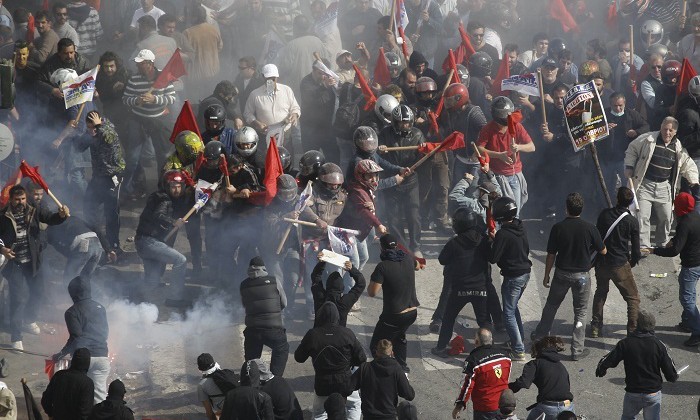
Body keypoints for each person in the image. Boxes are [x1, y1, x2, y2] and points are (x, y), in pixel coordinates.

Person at [531, 193, 606, 361]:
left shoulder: (558, 228)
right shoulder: (590, 228)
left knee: (551, 305)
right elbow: (603, 250)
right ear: (582, 209)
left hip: (562, 274)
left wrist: (546, 274)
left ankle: (539, 338)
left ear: (566, 209)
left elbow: (551, 254)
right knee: (580, 312)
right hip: (582, 277)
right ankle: (577, 350)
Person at [0, 185, 69, 350]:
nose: (20, 202)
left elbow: (50, 218)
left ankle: (29, 319)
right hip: (14, 262)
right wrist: (2, 249)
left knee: (39, 291)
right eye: (17, 199)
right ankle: (16, 337)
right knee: (18, 297)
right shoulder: (3, 216)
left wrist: (61, 215)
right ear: (11, 199)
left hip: (33, 260)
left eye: (23, 199)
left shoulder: (34, 210)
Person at [625, 116, 699, 250]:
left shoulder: (677, 147)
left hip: (664, 187)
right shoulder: (648, 139)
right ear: (661, 127)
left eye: (671, 130)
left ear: (675, 132)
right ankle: (644, 245)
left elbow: (687, 163)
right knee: (642, 216)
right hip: (645, 185)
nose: (667, 132)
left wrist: (693, 179)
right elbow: (632, 149)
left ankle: (662, 243)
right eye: (665, 129)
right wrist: (629, 166)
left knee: (666, 216)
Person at [596, 309, 679, 420]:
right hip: (652, 394)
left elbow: (610, 359)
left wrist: (602, 368)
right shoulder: (659, 345)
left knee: (628, 417)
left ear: (637, 325)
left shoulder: (625, 343)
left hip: (633, 392)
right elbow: (670, 373)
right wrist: (674, 376)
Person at [431, 208, 492, 358]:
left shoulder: (454, 243)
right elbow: (492, 257)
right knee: (484, 321)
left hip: (460, 289)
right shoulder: (483, 240)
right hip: (480, 287)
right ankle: (488, 351)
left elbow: (442, 259)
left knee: (448, 318)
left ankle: (440, 348)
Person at [294, 301, 366, 420]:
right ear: (337, 317)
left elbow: (299, 358)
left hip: (323, 383)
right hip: (346, 382)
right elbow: (361, 358)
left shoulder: (313, 335)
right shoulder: (347, 333)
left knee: (319, 413)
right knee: (354, 406)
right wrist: (350, 362)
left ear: (320, 316)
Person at [122, 48, 177, 195]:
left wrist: (155, 99)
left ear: (150, 63)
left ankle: (162, 187)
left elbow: (172, 98)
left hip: (157, 120)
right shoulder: (134, 79)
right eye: (138, 64)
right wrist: (136, 100)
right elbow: (126, 99)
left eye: (141, 64)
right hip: (138, 120)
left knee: (162, 156)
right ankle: (127, 188)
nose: (138, 66)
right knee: (133, 157)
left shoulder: (164, 78)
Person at [648, 192, 700, 346]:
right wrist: (675, 239)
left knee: (687, 299)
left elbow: (674, 251)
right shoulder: (696, 216)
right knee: (689, 294)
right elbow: (686, 238)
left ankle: (697, 331)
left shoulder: (684, 223)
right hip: (698, 263)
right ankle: (687, 322)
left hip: (690, 266)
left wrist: (654, 250)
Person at [591, 187, 642, 337]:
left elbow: (598, 238)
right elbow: (637, 251)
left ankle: (595, 326)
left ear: (617, 199)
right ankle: (632, 330)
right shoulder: (632, 221)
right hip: (619, 263)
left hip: (602, 262)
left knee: (600, 292)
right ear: (630, 202)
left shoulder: (604, 215)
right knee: (633, 298)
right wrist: (632, 263)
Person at [134, 170, 189, 307]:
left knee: (153, 281)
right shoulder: (163, 199)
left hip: (144, 242)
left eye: (179, 186)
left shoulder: (161, 197)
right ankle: (175, 299)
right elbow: (158, 215)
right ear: (166, 186)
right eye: (173, 186)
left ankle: (139, 304)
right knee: (180, 260)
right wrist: (173, 222)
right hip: (149, 242)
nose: (176, 190)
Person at [51, 276, 110, 403]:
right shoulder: (101, 308)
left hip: (82, 360)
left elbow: (76, 337)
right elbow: (105, 334)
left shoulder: (71, 312)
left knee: (76, 396)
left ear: (72, 293)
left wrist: (61, 354)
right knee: (99, 397)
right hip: (102, 358)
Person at [75, 111, 125, 257]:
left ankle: (114, 246)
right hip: (98, 177)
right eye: (90, 127)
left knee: (111, 213)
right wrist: (80, 134)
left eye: (94, 127)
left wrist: (98, 126)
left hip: (112, 176)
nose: (93, 131)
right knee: (88, 208)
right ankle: (98, 242)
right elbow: (79, 148)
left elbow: (109, 138)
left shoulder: (108, 129)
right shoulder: (92, 132)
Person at [368, 234, 419, 372]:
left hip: (394, 315)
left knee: (376, 346)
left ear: (381, 248)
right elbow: (418, 266)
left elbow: (372, 292)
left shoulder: (383, 266)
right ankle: (403, 369)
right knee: (399, 337)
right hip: (412, 313)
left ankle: (385, 373)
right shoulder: (407, 258)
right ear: (396, 245)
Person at [477, 96, 535, 217]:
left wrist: (519, 147)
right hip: (497, 177)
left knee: (515, 211)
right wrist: (499, 155)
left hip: (514, 175)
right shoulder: (488, 129)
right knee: (498, 212)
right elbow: (479, 149)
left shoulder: (516, 126)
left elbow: (531, 146)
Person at [489, 197, 532, 361]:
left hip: (513, 277)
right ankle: (518, 339)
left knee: (507, 314)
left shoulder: (503, 234)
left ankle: (518, 349)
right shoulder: (520, 226)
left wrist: (493, 241)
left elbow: (493, 258)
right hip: (525, 273)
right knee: (513, 309)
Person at [240, 256, 289, 376]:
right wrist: (274, 312)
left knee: (251, 361)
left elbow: (245, 305)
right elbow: (284, 303)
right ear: (263, 268)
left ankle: (252, 381)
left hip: (253, 330)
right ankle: (275, 379)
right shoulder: (274, 280)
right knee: (282, 348)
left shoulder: (243, 285)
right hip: (273, 329)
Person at [509, 336, 575, 420]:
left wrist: (509, 388)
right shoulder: (561, 366)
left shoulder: (535, 364)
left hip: (548, 407)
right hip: (567, 407)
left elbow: (523, 383)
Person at [452, 328, 511, 420]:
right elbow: (506, 379)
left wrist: (459, 405)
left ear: (476, 342)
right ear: (491, 340)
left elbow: (467, 386)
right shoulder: (506, 357)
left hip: (484, 407)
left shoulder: (473, 361)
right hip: (504, 404)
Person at [350, 339, 415, 420]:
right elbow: (409, 395)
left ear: (376, 352)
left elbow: (348, 387)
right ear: (392, 353)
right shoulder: (396, 369)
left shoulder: (365, 368)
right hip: (389, 416)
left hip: (369, 416)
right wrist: (406, 383)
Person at [41, 348, 94, 420]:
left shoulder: (58, 375)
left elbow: (46, 399)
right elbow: (85, 412)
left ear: (73, 361)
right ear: (87, 363)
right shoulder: (87, 383)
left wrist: (50, 414)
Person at [311, 257, 365, 327]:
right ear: (342, 288)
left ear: (327, 285)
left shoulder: (320, 297)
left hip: (318, 334)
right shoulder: (344, 303)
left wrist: (322, 263)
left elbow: (315, 277)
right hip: (339, 335)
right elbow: (361, 284)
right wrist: (352, 269)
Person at [196, 353, 235, 420]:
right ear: (214, 363)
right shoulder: (228, 373)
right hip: (241, 408)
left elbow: (209, 412)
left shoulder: (202, 385)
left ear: (199, 368)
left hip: (224, 413)